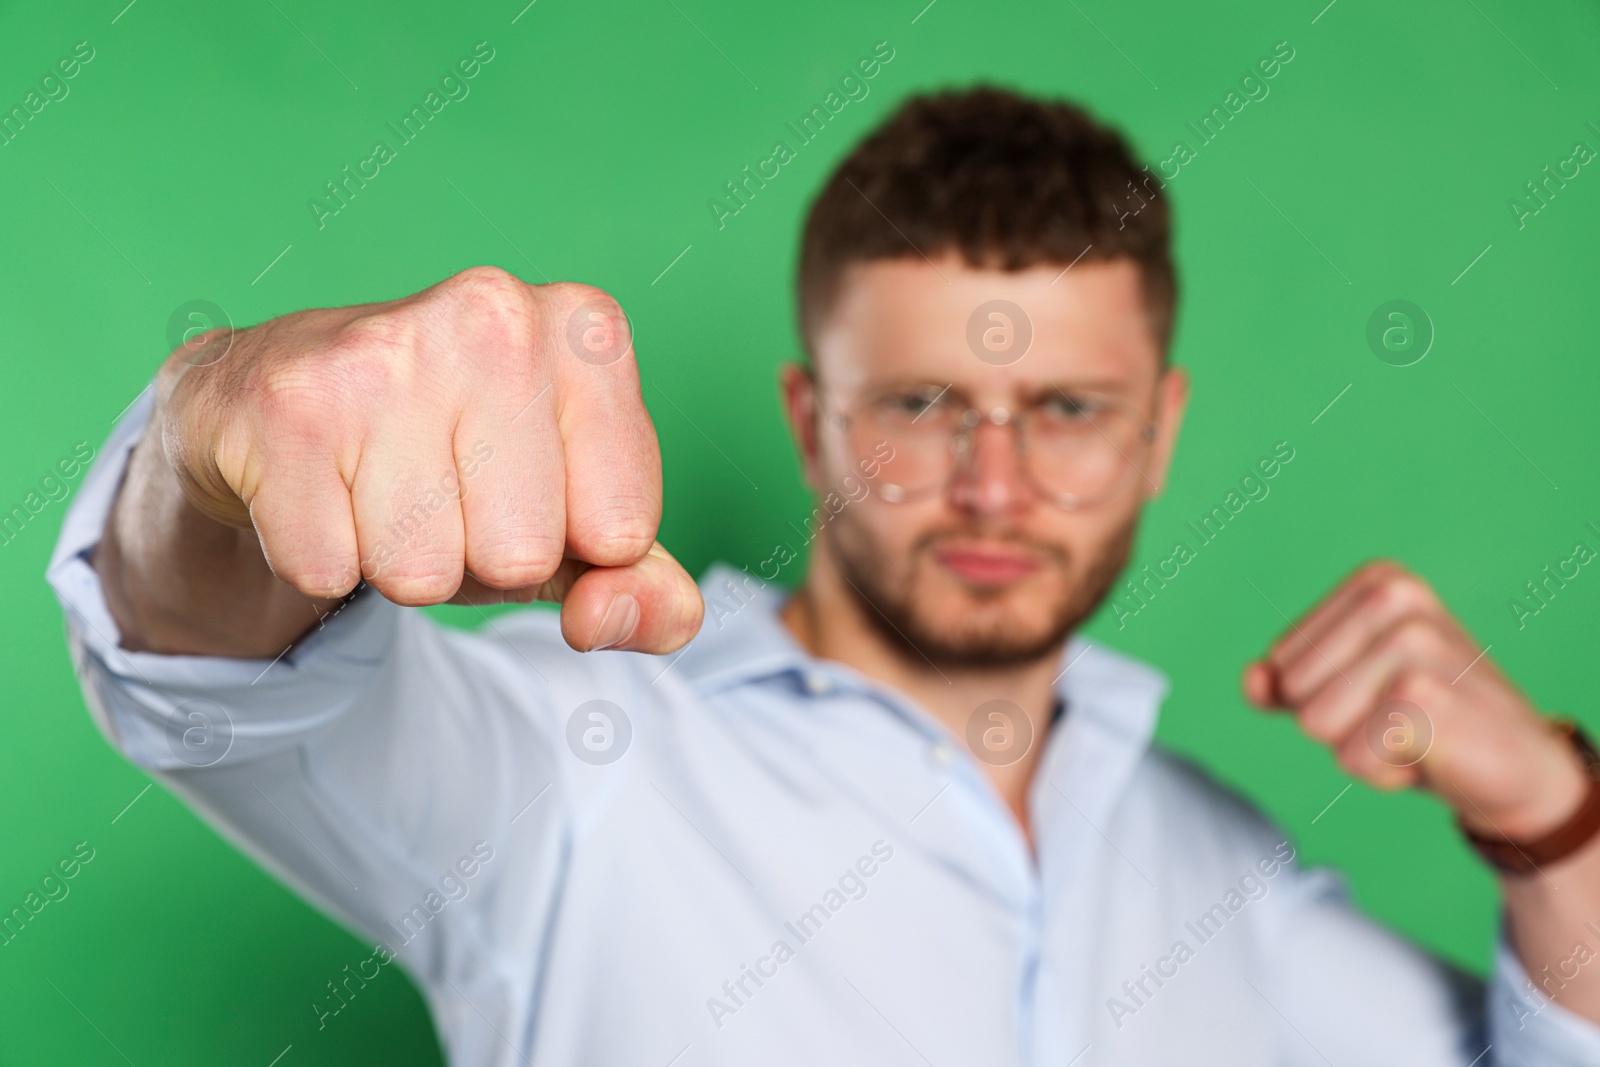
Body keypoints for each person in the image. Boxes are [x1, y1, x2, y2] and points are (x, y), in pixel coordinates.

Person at [48, 86, 1600, 1066]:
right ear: (813, 420)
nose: (994, 484)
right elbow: (205, 668)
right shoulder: (571, 762)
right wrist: (218, 436)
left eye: (1065, 408)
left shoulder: (1225, 872)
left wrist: (1556, 828)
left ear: (1158, 432)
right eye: (926, 404)